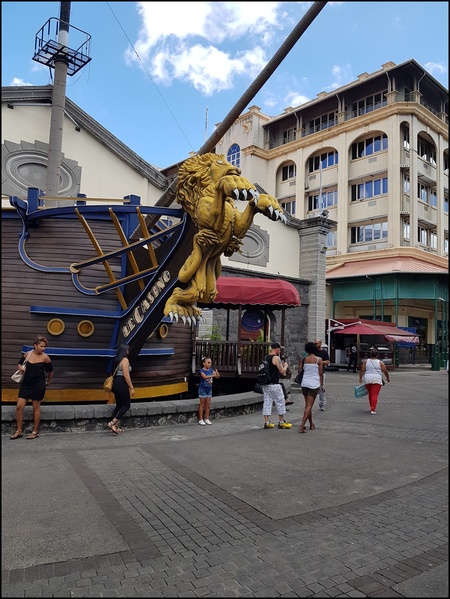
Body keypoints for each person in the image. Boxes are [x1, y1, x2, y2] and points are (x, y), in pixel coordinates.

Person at [10, 336, 54, 440]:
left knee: (36, 407)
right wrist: (20, 367)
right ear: (35, 345)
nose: (43, 348)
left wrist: (49, 382)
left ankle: (35, 431)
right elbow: (20, 363)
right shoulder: (28, 354)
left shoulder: (45, 357)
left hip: (39, 384)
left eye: (44, 347)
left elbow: (51, 371)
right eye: (41, 346)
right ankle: (19, 430)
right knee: (19, 407)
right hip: (26, 383)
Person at [262, 342, 292, 429]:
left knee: (267, 402)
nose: (280, 350)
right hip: (274, 385)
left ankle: (267, 422)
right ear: (277, 348)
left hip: (266, 384)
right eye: (279, 349)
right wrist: (285, 366)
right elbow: (282, 372)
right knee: (280, 402)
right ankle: (281, 421)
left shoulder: (266, 357)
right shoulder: (276, 358)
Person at [108, 343, 135, 434]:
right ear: (125, 350)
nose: (128, 351)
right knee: (126, 405)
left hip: (115, 383)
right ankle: (112, 423)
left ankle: (115, 426)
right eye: (128, 349)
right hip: (122, 383)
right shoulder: (125, 360)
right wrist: (131, 387)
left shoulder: (116, 359)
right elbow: (126, 375)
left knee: (119, 404)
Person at [298, 341, 324, 433]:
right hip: (314, 384)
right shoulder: (319, 360)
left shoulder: (304, 359)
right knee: (309, 406)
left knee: (307, 406)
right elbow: (321, 373)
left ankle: (311, 424)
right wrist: (321, 385)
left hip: (304, 383)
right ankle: (302, 425)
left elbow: (299, 370)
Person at [359, 347, 390, 414]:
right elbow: (385, 371)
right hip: (377, 379)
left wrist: (360, 378)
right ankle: (373, 409)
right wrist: (387, 378)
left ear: (370, 354)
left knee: (370, 394)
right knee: (375, 394)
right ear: (377, 355)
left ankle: (371, 406)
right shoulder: (380, 363)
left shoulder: (365, 361)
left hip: (367, 379)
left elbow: (362, 370)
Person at [198, 356, 220, 425]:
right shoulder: (202, 370)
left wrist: (217, 374)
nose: (210, 364)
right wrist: (213, 376)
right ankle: (201, 419)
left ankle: (207, 418)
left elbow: (217, 377)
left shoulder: (211, 370)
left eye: (210, 363)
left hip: (209, 389)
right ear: (204, 363)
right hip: (203, 389)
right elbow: (204, 377)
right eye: (208, 363)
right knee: (202, 404)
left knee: (208, 404)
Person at [314, 339, 330, 411]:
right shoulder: (313, 351)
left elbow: (327, 362)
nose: (315, 345)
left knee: (321, 388)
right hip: (313, 372)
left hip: (321, 372)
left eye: (316, 343)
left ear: (320, 344)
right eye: (314, 343)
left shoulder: (324, 352)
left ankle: (321, 404)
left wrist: (320, 362)